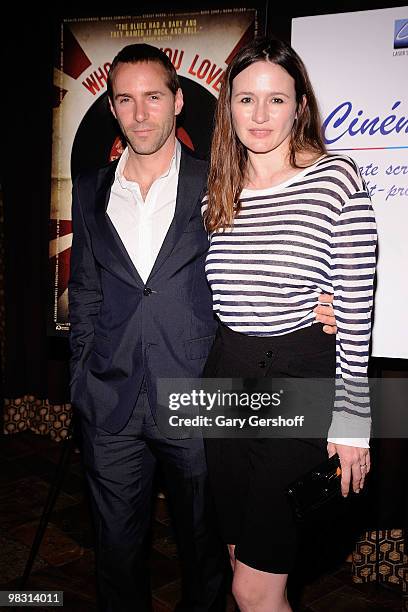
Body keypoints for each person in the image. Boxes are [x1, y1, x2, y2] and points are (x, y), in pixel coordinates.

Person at [68, 43, 337, 611]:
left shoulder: (219, 184)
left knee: (209, 558)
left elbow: (272, 251)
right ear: (113, 109)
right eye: (126, 100)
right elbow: (87, 293)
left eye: (153, 98)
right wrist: (81, 384)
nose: (141, 114)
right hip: (109, 403)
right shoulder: (91, 189)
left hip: (200, 397)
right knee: (114, 557)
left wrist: (327, 293)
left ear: (177, 102)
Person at [202, 38, 377, 612]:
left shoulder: (336, 180)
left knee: (255, 585)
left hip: (297, 376)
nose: (259, 114)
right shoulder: (217, 193)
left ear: (299, 106)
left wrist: (352, 424)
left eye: (275, 99)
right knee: (239, 567)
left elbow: (356, 311)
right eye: (246, 98)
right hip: (226, 375)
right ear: (227, 105)